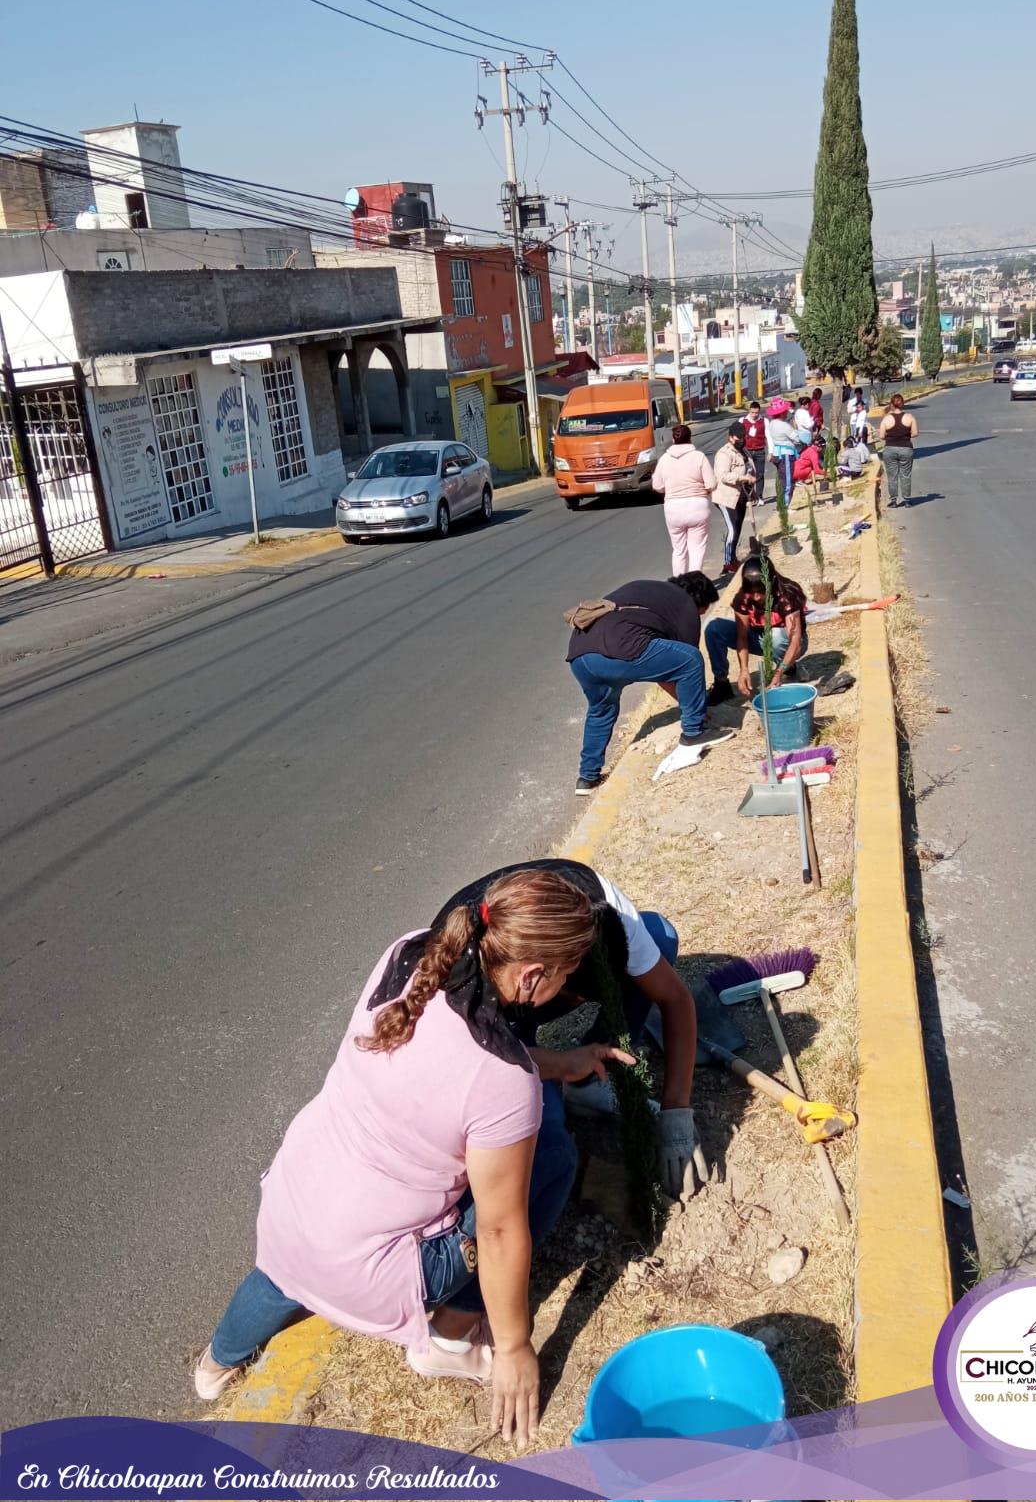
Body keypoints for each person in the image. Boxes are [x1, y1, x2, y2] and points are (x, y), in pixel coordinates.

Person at [194, 862, 706, 1447]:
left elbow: (453, 1060)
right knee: (554, 1161)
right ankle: (450, 1341)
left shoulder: (410, 954)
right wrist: (512, 1347)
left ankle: (215, 1364)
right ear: (534, 974)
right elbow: (498, 1230)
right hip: (375, 1269)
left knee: (282, 1274)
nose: (567, 989)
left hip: (290, 1208)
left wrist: (560, 1063)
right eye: (566, 975)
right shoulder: (504, 1085)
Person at [567, 572, 730, 794]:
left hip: (580, 656)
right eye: (704, 610)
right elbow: (683, 668)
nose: (701, 615)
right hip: (619, 649)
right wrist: (696, 711)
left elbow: (664, 671)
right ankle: (693, 734)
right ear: (699, 599)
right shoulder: (684, 605)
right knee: (691, 659)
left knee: (601, 710)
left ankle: (587, 777)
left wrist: (688, 704)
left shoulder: (647, 589)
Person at [704, 554, 808, 705]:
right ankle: (721, 684)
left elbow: (796, 641)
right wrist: (744, 670)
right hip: (758, 638)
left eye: (761, 591)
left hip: (787, 642)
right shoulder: (743, 598)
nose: (757, 597)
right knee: (714, 628)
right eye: (752, 592)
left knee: (776, 636)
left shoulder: (787, 595)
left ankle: (787, 666)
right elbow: (742, 637)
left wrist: (778, 673)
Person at [652, 423, 716, 575]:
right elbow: (711, 484)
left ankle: (678, 587)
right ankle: (694, 585)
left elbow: (657, 485)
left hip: (673, 509)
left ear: (673, 440)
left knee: (679, 550)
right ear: (690, 439)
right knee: (697, 550)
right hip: (697, 506)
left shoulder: (664, 459)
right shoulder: (699, 457)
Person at [712, 420, 756, 574]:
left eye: (743, 437)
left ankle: (733, 559)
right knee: (731, 529)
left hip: (741, 496)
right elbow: (723, 476)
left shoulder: (744, 451)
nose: (741, 440)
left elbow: (750, 470)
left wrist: (753, 491)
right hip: (726, 497)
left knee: (737, 528)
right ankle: (727, 563)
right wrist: (742, 478)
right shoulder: (724, 453)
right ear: (730, 437)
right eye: (738, 438)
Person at [878, 393, 918, 507]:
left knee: (892, 475)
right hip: (906, 448)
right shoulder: (910, 417)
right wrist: (904, 434)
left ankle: (894, 500)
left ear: (892, 404)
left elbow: (881, 436)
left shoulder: (886, 419)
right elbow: (915, 433)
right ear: (902, 404)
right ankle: (907, 500)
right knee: (906, 474)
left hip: (890, 448)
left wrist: (891, 436)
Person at [764, 395, 799, 506]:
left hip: (777, 453)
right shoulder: (784, 425)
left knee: (781, 478)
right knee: (788, 481)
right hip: (786, 454)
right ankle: (785, 504)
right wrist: (795, 428)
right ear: (782, 412)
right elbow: (796, 438)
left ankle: (782, 501)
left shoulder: (772, 424)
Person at [740, 400, 768, 502]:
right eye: (752, 412)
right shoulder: (742, 421)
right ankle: (750, 497)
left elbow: (768, 436)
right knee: (747, 475)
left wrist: (771, 452)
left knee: (760, 474)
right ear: (749, 411)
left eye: (756, 412)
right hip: (747, 452)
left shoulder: (764, 421)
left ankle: (760, 496)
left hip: (760, 451)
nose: (754, 415)